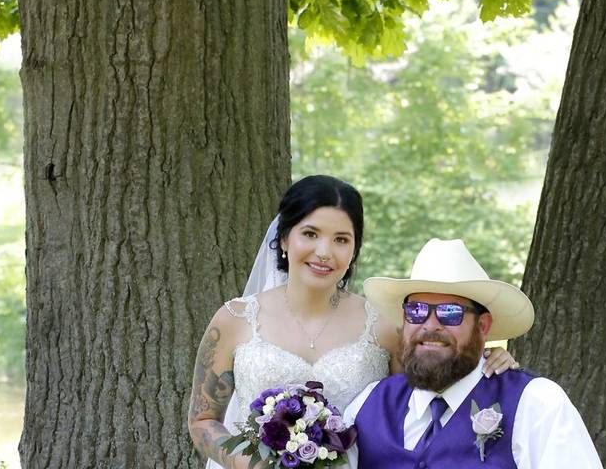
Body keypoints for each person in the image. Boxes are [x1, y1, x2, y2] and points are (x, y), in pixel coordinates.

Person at [187, 176, 517, 469]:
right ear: (285, 239)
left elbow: (431, 392)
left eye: (341, 239)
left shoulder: (386, 326)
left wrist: (484, 364)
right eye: (310, 234)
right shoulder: (235, 319)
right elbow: (202, 420)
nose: (324, 252)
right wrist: (252, 464)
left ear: (354, 249)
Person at [344, 238, 605, 469]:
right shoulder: (367, 406)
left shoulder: (536, 404)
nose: (430, 324)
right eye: (417, 310)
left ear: (483, 326)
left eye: (450, 313)